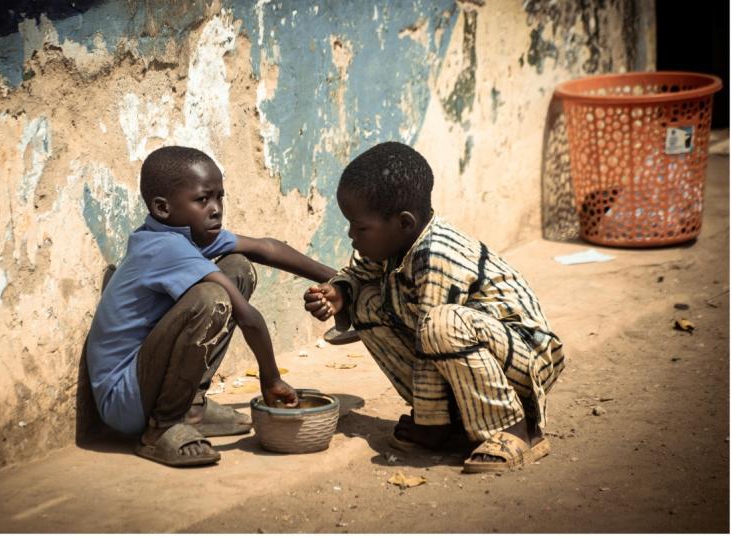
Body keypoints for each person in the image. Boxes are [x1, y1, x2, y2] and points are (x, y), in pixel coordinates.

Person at [303, 141, 565, 473]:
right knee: (367, 302)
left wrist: (429, 426)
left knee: (441, 325)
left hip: (528, 357)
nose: (352, 235)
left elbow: (431, 341)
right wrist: (340, 292)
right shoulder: (396, 245)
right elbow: (359, 273)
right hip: (476, 349)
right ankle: (458, 422)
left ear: (404, 223)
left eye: (361, 227)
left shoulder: (438, 255)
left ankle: (517, 429)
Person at [87, 146, 337, 467]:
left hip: (143, 381)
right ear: (163, 208)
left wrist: (342, 280)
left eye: (220, 197)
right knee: (213, 299)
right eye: (202, 200)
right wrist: (271, 378)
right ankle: (161, 428)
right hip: (124, 401)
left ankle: (191, 408)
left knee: (238, 267)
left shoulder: (186, 232)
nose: (216, 209)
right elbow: (248, 317)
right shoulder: (165, 248)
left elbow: (267, 248)